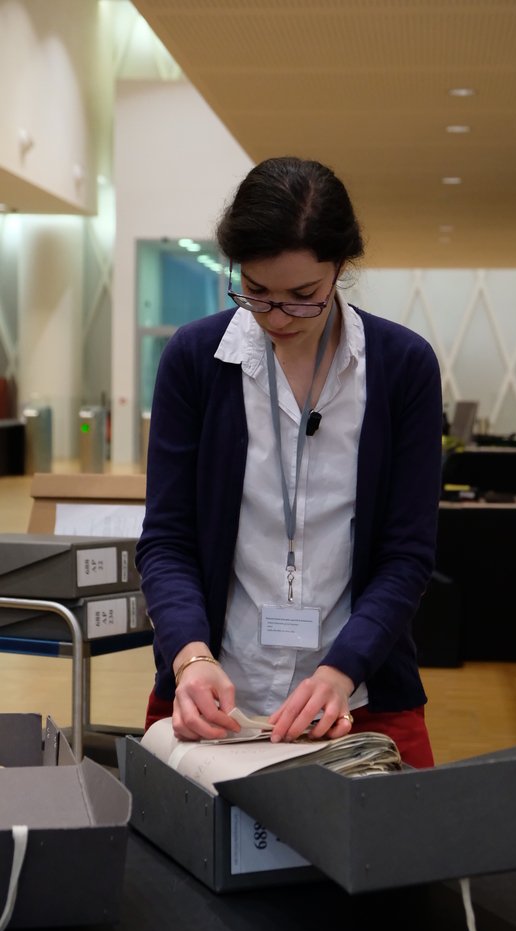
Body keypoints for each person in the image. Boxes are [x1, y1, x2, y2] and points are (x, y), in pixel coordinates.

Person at [136, 157, 442, 768]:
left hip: (361, 699)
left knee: (392, 859)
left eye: (303, 297)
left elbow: (407, 556)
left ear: (340, 269)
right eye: (256, 292)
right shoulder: (195, 360)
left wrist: (340, 672)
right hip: (213, 703)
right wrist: (190, 657)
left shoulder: (402, 367)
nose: (277, 317)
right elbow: (166, 541)